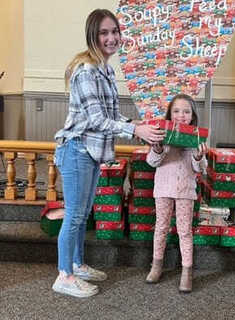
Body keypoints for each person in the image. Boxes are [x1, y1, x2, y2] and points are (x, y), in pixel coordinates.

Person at [52, 9, 164, 298]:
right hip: (76, 149)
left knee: (83, 213)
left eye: (115, 31)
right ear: (93, 35)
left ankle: (76, 264)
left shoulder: (106, 69)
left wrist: (136, 124)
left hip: (90, 152)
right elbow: (95, 121)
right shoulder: (87, 70)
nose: (112, 37)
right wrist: (135, 132)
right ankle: (64, 275)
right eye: (104, 32)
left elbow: (111, 115)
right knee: (75, 215)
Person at [145, 94, 208, 293]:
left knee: (184, 231)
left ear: (192, 115)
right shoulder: (161, 134)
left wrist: (198, 156)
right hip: (163, 188)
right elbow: (151, 162)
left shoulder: (197, 137)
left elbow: (201, 169)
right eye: (176, 111)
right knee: (161, 227)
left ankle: (187, 272)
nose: (181, 115)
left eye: (186, 111)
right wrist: (158, 149)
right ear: (170, 114)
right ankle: (156, 266)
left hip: (185, 190)